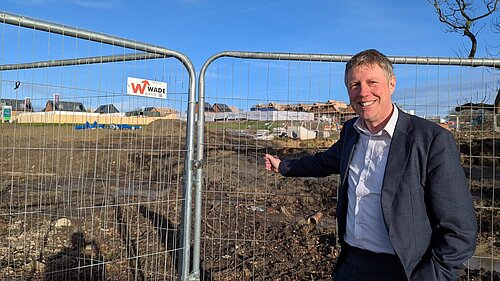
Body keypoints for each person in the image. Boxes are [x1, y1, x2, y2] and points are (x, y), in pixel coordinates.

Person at [264, 49, 477, 281]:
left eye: (372, 82)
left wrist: (430, 276)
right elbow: (324, 162)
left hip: (405, 269)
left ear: (392, 83)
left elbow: (460, 230)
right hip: (351, 264)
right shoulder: (351, 133)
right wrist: (283, 166)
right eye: (354, 85)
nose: (363, 92)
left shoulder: (430, 140)